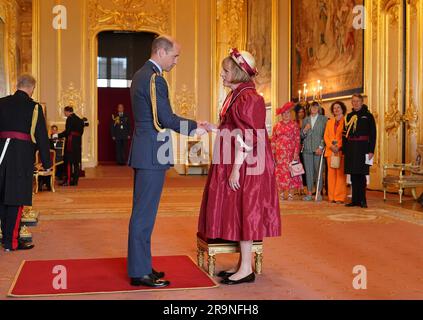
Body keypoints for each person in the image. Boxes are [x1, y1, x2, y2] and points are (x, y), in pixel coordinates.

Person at [128, 35, 206, 288]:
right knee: (144, 214)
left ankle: (142, 265)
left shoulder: (142, 75)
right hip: (152, 150)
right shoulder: (154, 79)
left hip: (146, 148)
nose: (176, 61)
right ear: (161, 52)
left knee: (143, 212)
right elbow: (165, 118)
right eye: (175, 56)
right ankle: (139, 273)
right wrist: (195, 127)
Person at [198, 49, 281, 285]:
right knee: (238, 209)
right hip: (237, 159)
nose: (221, 75)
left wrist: (235, 168)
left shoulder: (250, 98)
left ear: (237, 72)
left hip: (247, 163)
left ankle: (246, 268)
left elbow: (249, 136)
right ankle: (241, 264)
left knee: (247, 209)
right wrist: (213, 127)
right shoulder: (237, 95)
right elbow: (233, 128)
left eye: (225, 71)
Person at [0, 74, 51, 251]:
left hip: (1, 155)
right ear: (31, 88)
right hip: (20, 158)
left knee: (2, 197)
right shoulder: (34, 107)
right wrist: (46, 162)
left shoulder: (2, 102)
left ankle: (5, 237)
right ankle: (11, 241)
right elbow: (42, 137)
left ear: (17, 85)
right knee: (15, 199)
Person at [343, 94, 377, 208]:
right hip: (351, 148)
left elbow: (373, 134)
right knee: (353, 175)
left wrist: (371, 150)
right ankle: (355, 200)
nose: (355, 103)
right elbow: (344, 134)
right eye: (353, 101)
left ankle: (362, 200)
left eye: (357, 101)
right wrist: (344, 150)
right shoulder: (348, 116)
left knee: (361, 175)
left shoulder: (368, 116)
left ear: (362, 102)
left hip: (363, 148)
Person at [271, 102, 303, 201]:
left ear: (290, 114)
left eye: (288, 113)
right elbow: (273, 140)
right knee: (280, 173)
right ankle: (280, 193)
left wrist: (296, 153)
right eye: (284, 113)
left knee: (290, 172)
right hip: (279, 153)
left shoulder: (294, 125)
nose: (286, 115)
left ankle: (290, 193)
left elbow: (297, 140)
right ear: (281, 115)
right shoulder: (277, 126)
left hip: (291, 152)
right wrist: (273, 153)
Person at [301, 101, 328, 201]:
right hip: (307, 149)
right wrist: (304, 130)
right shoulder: (305, 120)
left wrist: (321, 147)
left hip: (318, 150)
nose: (314, 108)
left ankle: (318, 193)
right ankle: (309, 193)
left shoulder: (324, 119)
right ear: (310, 108)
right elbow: (301, 136)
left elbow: (326, 135)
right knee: (309, 172)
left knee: (318, 172)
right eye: (312, 107)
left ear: (319, 108)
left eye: (316, 107)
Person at [324, 101, 347, 204]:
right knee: (331, 174)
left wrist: (339, 146)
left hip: (341, 151)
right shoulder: (329, 122)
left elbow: (346, 136)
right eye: (334, 108)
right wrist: (331, 146)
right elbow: (326, 136)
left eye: (338, 107)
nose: (336, 109)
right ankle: (332, 196)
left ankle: (340, 197)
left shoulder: (346, 121)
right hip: (330, 151)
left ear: (342, 109)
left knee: (341, 174)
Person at [58, 106, 85, 186]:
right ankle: (75, 181)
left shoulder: (69, 119)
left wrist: (57, 135)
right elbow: (81, 133)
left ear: (67, 111)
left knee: (68, 162)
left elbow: (67, 132)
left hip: (70, 143)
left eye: (64, 112)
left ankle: (68, 181)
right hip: (77, 144)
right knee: (76, 163)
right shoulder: (80, 120)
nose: (64, 113)